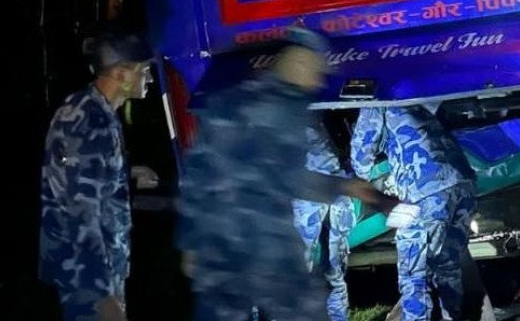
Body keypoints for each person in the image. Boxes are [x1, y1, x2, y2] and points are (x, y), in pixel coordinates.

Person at [178, 27, 406, 321]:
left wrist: (190, 242)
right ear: (299, 62)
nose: (319, 81)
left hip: (219, 248)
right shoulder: (286, 107)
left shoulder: (229, 99)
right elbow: (287, 178)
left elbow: (198, 173)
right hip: (267, 244)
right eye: (317, 71)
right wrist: (346, 187)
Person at [39, 25, 155, 321]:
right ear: (121, 74)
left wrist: (128, 172)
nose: (150, 78)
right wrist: (102, 295)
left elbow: (88, 173)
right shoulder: (86, 121)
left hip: (101, 269)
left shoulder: (99, 112)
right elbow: (79, 212)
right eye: (144, 71)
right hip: (86, 276)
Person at [350, 104, 477, 321]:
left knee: (413, 275)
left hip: (425, 191)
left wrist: (357, 178)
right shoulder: (411, 100)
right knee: (448, 265)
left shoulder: (376, 100)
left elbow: (362, 154)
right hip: (463, 185)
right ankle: (453, 315)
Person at [292, 112, 355, 321]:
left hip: (307, 195)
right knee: (335, 271)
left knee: (298, 270)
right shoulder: (328, 113)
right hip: (337, 191)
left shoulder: (284, 117)